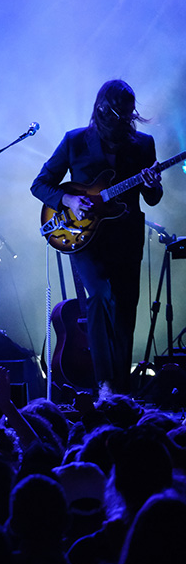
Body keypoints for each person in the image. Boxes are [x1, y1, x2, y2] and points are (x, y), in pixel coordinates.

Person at [31, 80, 163, 394]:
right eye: (119, 114)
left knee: (126, 307)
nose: (124, 121)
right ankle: (105, 384)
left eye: (129, 115)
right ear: (103, 108)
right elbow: (40, 184)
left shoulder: (144, 145)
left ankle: (121, 388)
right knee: (102, 295)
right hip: (84, 238)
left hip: (126, 238)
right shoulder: (75, 141)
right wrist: (68, 200)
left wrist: (151, 183)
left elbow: (153, 197)